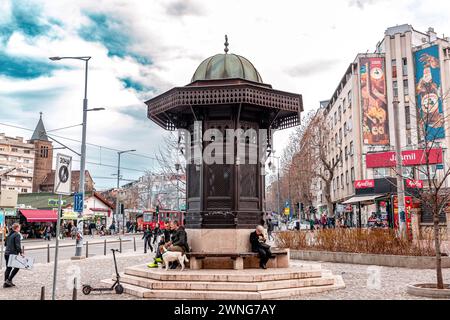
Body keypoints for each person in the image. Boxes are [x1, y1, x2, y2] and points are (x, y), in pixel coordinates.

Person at [4, 223, 23, 288]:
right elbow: (18, 245)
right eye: (19, 227)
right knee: (17, 267)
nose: (19, 229)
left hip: (6, 253)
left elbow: (5, 244)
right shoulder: (17, 235)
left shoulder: (9, 234)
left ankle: (6, 283)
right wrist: (21, 252)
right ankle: (8, 280)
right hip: (12, 254)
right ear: (17, 228)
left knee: (8, 268)